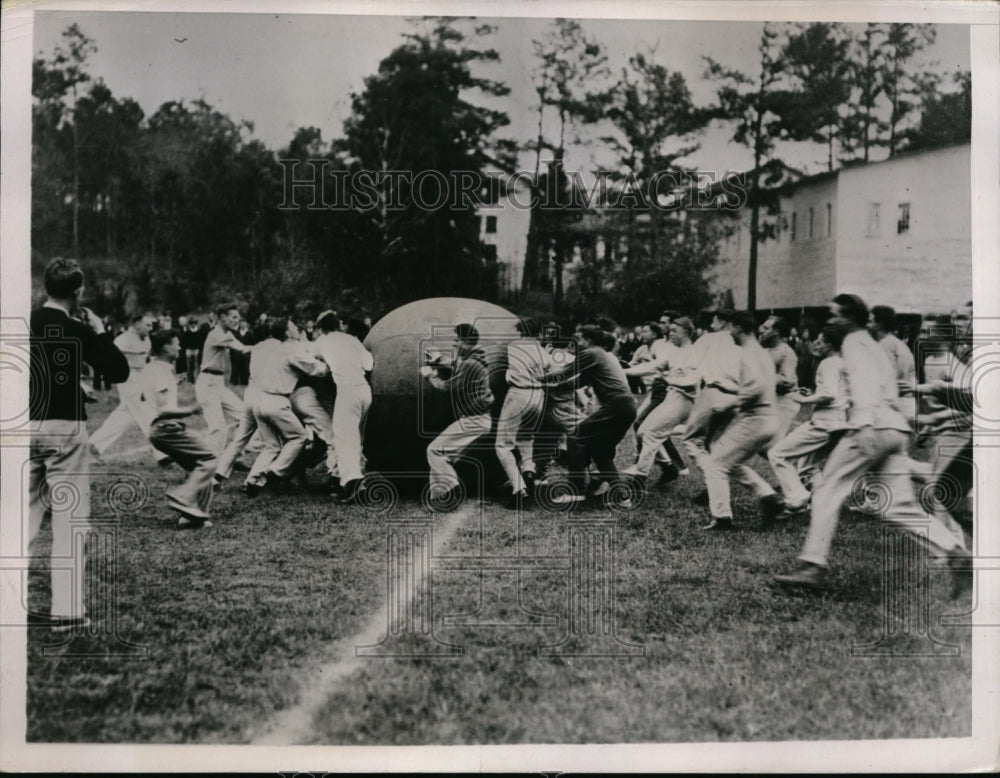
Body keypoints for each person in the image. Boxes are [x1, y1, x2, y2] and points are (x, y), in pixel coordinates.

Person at [775, 294, 970, 592]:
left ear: (849, 318)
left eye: (833, 315)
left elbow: (865, 385)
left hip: (871, 426)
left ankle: (813, 567)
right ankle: (954, 552)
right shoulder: (874, 346)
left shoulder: (854, 343)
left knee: (827, 490)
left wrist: (863, 422)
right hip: (893, 429)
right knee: (897, 507)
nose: (829, 321)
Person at [29, 258, 130, 629]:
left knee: (20, 521)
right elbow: (118, 370)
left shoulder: (24, 321)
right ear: (78, 292)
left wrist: (69, 383)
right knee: (70, 522)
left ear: (45, 287)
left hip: (22, 424)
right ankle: (67, 612)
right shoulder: (77, 328)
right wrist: (100, 331)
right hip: (63, 426)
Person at [697, 312, 784, 530]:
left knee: (715, 463)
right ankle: (769, 498)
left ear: (739, 328)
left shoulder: (748, 353)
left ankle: (723, 518)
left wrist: (732, 403)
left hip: (756, 417)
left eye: (731, 330)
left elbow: (755, 387)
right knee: (730, 462)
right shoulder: (761, 353)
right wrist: (727, 388)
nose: (729, 335)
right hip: (769, 417)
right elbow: (759, 384)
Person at [545, 325, 637, 506]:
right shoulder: (598, 356)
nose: (575, 341)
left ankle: (576, 490)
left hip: (616, 405)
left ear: (588, 340)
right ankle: (622, 497)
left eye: (578, 338)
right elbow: (576, 382)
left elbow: (564, 373)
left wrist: (535, 378)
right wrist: (549, 387)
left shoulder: (591, 353)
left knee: (575, 437)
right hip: (626, 406)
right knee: (601, 451)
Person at [766, 325, 850, 519]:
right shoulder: (843, 363)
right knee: (806, 465)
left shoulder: (827, 363)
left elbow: (829, 394)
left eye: (819, 342)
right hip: (840, 424)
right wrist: (813, 395)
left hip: (824, 422)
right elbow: (837, 394)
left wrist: (804, 400)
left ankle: (797, 499)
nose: (815, 344)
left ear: (829, 345)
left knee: (777, 454)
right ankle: (824, 501)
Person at [243, 317, 330, 496]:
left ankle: (252, 480)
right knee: (299, 438)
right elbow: (318, 370)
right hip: (276, 401)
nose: (296, 327)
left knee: (272, 446)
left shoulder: (276, 349)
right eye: (292, 325)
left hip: (258, 400)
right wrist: (331, 366)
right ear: (286, 332)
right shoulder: (293, 350)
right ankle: (273, 472)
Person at [143, 330, 217, 528]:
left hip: (158, 429)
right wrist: (191, 410)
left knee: (196, 465)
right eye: (177, 344)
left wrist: (172, 383)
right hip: (165, 428)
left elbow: (147, 396)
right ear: (166, 347)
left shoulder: (152, 368)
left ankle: (194, 515)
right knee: (209, 458)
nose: (180, 347)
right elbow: (161, 408)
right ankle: (182, 496)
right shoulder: (161, 370)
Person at [421, 323, 495, 509]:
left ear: (465, 342)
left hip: (474, 421)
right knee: (442, 455)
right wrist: (439, 359)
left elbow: (447, 387)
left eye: (456, 340)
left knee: (434, 451)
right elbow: (458, 364)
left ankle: (451, 490)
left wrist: (429, 375)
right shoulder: (474, 358)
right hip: (477, 419)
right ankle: (440, 498)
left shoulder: (471, 363)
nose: (454, 344)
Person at [623, 317, 698, 490]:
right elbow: (651, 366)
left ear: (686, 331)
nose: (669, 333)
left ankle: (639, 481)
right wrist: (623, 370)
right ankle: (668, 467)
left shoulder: (694, 353)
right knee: (642, 431)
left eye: (674, 330)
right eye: (669, 330)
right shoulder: (674, 352)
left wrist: (668, 378)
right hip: (672, 396)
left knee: (651, 434)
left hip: (685, 400)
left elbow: (692, 381)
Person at [89, 313, 171, 465]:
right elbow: (109, 355)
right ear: (136, 324)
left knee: (123, 417)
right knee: (145, 412)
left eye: (152, 325)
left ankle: (92, 446)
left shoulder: (146, 339)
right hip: (127, 377)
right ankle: (162, 454)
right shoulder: (122, 340)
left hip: (140, 377)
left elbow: (147, 361)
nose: (150, 328)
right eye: (147, 325)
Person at [313, 311, 375, 504]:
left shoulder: (323, 341)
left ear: (322, 329)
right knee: (357, 436)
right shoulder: (352, 340)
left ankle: (352, 483)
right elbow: (369, 364)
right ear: (338, 325)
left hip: (347, 390)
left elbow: (312, 357)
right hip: (364, 390)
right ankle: (357, 479)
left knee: (343, 438)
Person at [494, 316, 550, 509]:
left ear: (521, 330)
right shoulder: (543, 352)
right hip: (538, 395)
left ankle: (519, 490)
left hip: (519, 394)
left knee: (502, 445)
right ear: (539, 332)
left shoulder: (514, 346)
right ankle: (528, 471)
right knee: (526, 437)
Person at [195, 303, 252, 452]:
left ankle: (235, 454)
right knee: (218, 429)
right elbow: (243, 349)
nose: (237, 321)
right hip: (207, 383)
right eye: (234, 317)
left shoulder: (227, 333)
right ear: (222, 318)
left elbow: (243, 348)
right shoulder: (216, 334)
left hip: (217, 384)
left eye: (238, 318)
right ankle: (203, 463)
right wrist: (268, 347)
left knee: (244, 414)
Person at [758, 315, 799, 437]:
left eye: (766, 328)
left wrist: (762, 374)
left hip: (785, 402)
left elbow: (788, 381)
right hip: (770, 400)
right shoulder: (765, 350)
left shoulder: (787, 352)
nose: (761, 331)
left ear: (776, 331)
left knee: (773, 444)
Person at [179, 314, 206, 384]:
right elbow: (183, 342)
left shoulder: (200, 332)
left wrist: (200, 349)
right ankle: (190, 380)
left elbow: (202, 342)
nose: (193, 324)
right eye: (191, 323)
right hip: (189, 350)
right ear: (189, 324)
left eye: (194, 323)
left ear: (196, 323)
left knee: (198, 365)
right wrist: (186, 349)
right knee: (189, 366)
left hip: (197, 350)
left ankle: (199, 379)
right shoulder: (186, 333)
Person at [230, 317, 255, 387]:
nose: (242, 324)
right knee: (235, 367)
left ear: (247, 324)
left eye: (244, 323)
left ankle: (244, 382)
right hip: (236, 354)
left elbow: (253, 344)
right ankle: (234, 381)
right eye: (241, 323)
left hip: (246, 354)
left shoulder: (250, 334)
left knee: (245, 368)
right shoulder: (236, 333)